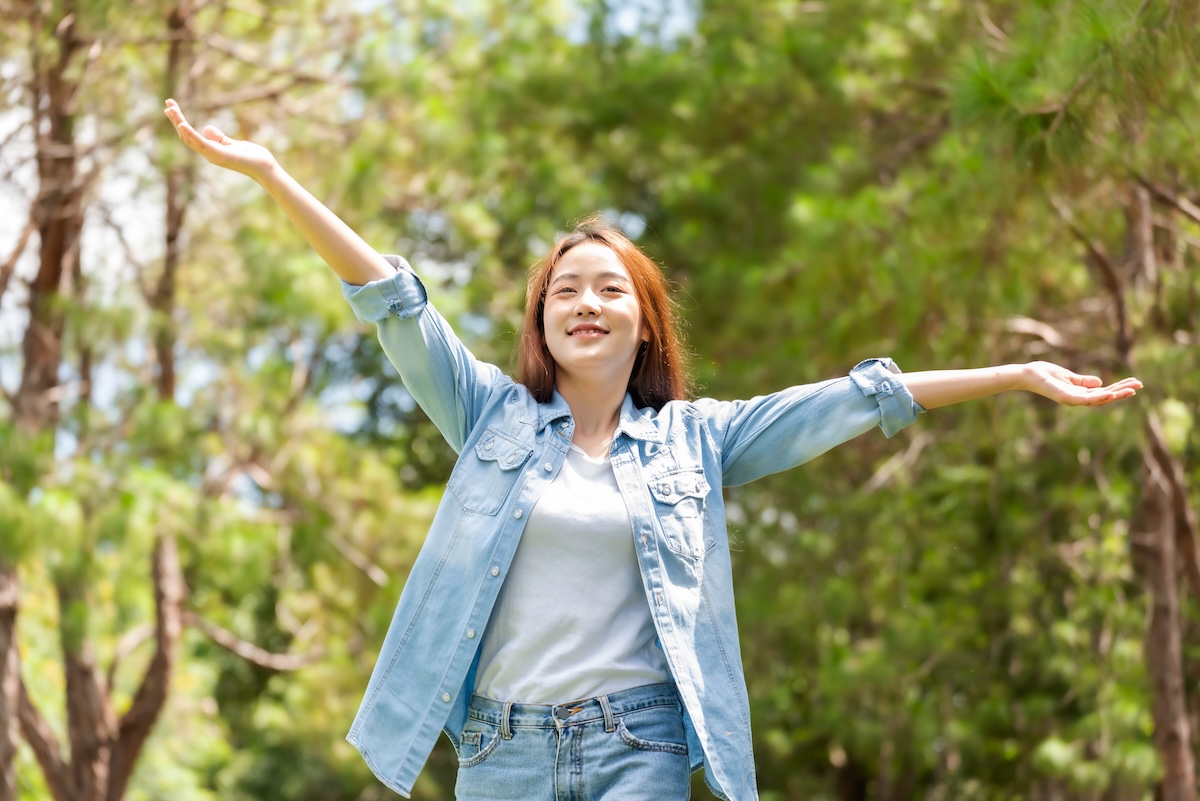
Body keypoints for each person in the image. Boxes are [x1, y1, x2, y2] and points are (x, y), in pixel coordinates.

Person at [163, 98, 1142, 801]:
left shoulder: (699, 441)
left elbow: (852, 399)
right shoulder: (488, 418)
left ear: (645, 322)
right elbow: (392, 302)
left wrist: (1014, 377)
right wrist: (275, 175)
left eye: (608, 288)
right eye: (563, 291)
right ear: (541, 324)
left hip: (640, 739)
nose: (583, 302)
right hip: (504, 748)